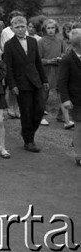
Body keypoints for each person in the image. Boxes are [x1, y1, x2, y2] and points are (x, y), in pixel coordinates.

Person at [3, 16, 49, 153]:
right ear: (12, 29)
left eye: (23, 26)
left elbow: (38, 63)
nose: (21, 29)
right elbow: (8, 68)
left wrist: (44, 79)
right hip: (21, 83)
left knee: (39, 109)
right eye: (17, 27)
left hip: (35, 81)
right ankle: (29, 141)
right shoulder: (9, 45)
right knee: (26, 112)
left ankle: (26, 132)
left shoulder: (33, 41)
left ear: (26, 27)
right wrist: (12, 85)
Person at [38, 19, 72, 128]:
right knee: (44, 94)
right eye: (48, 28)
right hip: (46, 71)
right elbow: (38, 59)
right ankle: (39, 116)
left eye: (52, 28)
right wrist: (48, 61)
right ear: (45, 29)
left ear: (56, 29)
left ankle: (66, 120)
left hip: (58, 70)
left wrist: (60, 58)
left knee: (62, 93)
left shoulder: (60, 41)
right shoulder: (41, 42)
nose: (51, 30)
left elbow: (64, 54)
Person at [57, 33, 81, 166]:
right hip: (76, 98)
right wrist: (65, 99)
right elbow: (62, 81)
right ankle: (79, 155)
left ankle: (77, 143)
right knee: (79, 126)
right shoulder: (67, 59)